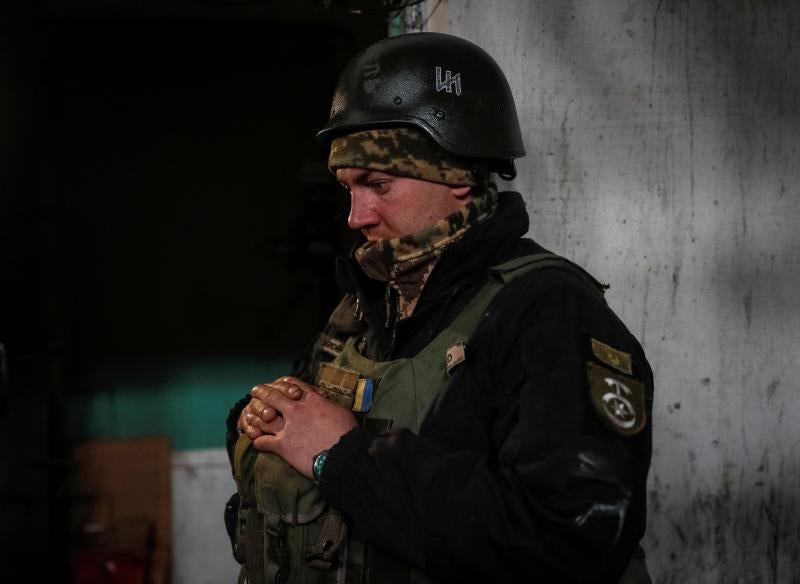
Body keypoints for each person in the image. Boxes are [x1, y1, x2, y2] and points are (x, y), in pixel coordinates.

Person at [224, 32, 653, 584]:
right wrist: (260, 416)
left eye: (378, 183)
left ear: (458, 179)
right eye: (348, 187)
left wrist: (343, 454)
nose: (357, 216)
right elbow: (305, 426)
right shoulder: (371, 300)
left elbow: (571, 540)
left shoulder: (549, 313)